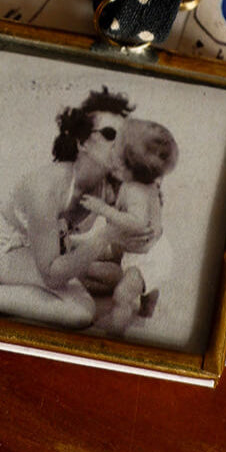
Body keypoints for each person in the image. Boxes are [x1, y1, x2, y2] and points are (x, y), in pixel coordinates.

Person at [0, 87, 154, 328]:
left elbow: (142, 226)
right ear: (82, 142)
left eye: (124, 138)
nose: (119, 145)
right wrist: (106, 237)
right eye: (110, 134)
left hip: (55, 245)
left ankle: (19, 289)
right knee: (80, 312)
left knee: (115, 276)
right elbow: (51, 273)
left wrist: (141, 235)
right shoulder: (46, 188)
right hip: (9, 248)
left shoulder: (109, 183)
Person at [73, 118, 179, 336]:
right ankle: (148, 306)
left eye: (119, 158)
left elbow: (137, 223)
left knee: (123, 295)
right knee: (148, 283)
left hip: (147, 257)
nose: (115, 160)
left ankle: (116, 329)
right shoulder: (147, 184)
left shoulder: (136, 192)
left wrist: (105, 210)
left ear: (130, 167)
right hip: (151, 250)